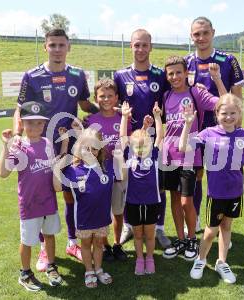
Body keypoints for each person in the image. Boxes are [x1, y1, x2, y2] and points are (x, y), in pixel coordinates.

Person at [13, 29, 99, 270]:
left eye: (62, 45)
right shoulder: (31, 76)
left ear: (69, 47)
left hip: (71, 145)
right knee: (43, 197)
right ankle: (43, 248)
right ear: (45, 47)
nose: (57, 49)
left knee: (73, 195)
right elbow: (20, 109)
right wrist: (18, 136)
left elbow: (84, 104)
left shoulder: (77, 75)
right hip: (40, 148)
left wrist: (105, 111)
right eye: (53, 45)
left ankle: (73, 242)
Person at [179, 94, 244, 284]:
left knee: (226, 227)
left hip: (235, 192)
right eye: (224, 113)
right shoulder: (208, 133)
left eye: (233, 113)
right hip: (216, 193)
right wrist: (188, 123)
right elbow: (183, 147)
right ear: (217, 113)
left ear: (239, 114)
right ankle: (201, 259)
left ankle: (222, 262)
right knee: (209, 232)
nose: (228, 117)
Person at [161, 56, 226, 261]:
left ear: (186, 72)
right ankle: (180, 239)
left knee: (186, 201)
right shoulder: (166, 96)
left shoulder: (195, 92)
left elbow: (224, 103)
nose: (174, 77)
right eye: (170, 73)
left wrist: (216, 79)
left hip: (190, 156)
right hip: (168, 156)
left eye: (178, 72)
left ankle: (191, 239)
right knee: (173, 200)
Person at [185, 16, 244, 234]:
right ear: (191, 36)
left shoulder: (228, 60)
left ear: (213, 33)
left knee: (224, 177)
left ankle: (224, 226)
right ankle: (199, 219)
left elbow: (237, 100)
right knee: (197, 177)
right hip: (197, 131)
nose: (201, 38)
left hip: (225, 132)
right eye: (196, 34)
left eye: (205, 33)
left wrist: (237, 133)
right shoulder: (186, 62)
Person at [0, 101, 64, 291]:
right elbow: (3, 173)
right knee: (27, 241)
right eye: (30, 122)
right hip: (29, 204)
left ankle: (51, 267)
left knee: (49, 235)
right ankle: (25, 274)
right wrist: (5, 145)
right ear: (22, 123)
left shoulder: (48, 143)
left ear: (44, 124)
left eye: (39, 123)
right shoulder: (18, 146)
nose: (35, 127)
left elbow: (52, 170)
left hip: (49, 201)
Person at [114, 28, 170, 248]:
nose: (140, 49)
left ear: (151, 47)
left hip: (154, 141)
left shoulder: (160, 75)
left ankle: (159, 228)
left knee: (159, 184)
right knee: (130, 184)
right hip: (130, 141)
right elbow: (114, 103)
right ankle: (129, 225)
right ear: (131, 46)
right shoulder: (120, 75)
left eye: (144, 45)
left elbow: (167, 102)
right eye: (136, 45)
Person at [53, 127, 120, 288]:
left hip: (102, 218)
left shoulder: (107, 167)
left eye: (94, 148)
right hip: (83, 219)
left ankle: (98, 269)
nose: (90, 152)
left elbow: (122, 174)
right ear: (79, 147)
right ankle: (89, 270)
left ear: (100, 149)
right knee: (85, 245)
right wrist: (58, 167)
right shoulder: (73, 170)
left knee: (98, 244)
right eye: (86, 148)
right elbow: (56, 187)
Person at [84, 78, 130, 262]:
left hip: (118, 170)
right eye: (102, 96)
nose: (106, 99)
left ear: (117, 97)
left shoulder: (124, 118)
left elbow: (127, 141)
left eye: (110, 95)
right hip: (99, 172)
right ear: (96, 98)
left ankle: (117, 244)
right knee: (102, 211)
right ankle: (105, 245)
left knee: (118, 211)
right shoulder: (90, 120)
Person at [119, 101, 163, 275]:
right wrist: (124, 117)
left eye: (144, 145)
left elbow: (159, 135)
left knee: (150, 235)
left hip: (152, 202)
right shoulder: (129, 156)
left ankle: (150, 258)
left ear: (150, 146)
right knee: (138, 235)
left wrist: (158, 117)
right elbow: (123, 137)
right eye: (137, 145)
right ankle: (139, 258)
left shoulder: (153, 155)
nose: (140, 148)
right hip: (133, 203)